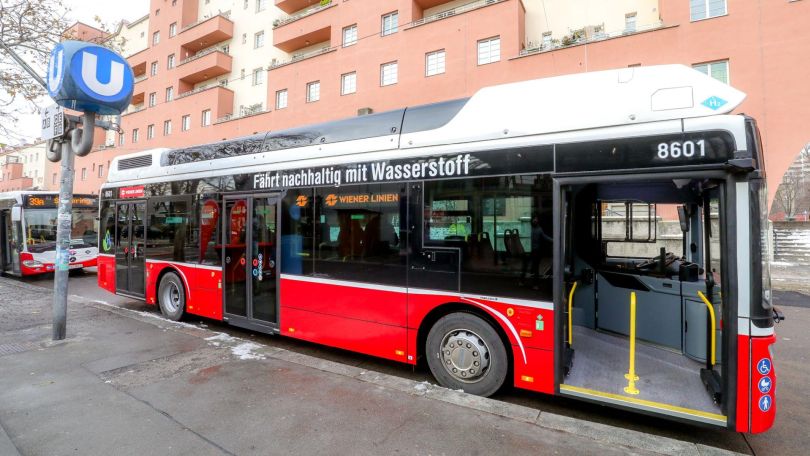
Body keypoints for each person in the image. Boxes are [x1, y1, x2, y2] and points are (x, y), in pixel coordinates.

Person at [521, 212, 552, 288]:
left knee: (534, 267)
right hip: (530, 250)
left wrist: (553, 240)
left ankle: (534, 284)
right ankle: (526, 282)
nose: (535, 220)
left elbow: (544, 237)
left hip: (535, 251)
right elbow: (544, 237)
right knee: (529, 267)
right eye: (534, 219)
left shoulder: (538, 229)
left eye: (536, 219)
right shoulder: (534, 228)